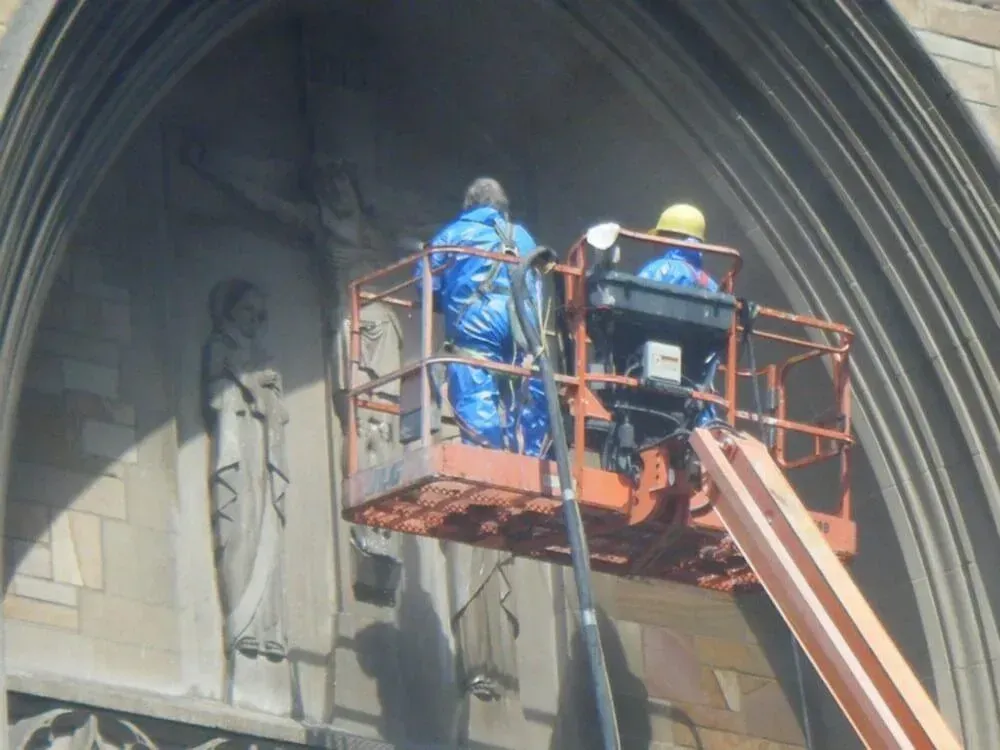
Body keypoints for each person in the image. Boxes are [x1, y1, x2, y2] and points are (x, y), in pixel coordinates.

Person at [417, 178, 550, 457]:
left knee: (475, 384)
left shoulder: (454, 234)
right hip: (521, 324)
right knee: (524, 386)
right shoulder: (522, 237)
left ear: (469, 205)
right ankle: (531, 456)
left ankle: (485, 455)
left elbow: (426, 283)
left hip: (478, 323)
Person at [639, 203, 721, 426]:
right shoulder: (711, 286)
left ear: (668, 237)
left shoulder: (659, 270)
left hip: (649, 385)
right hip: (695, 391)